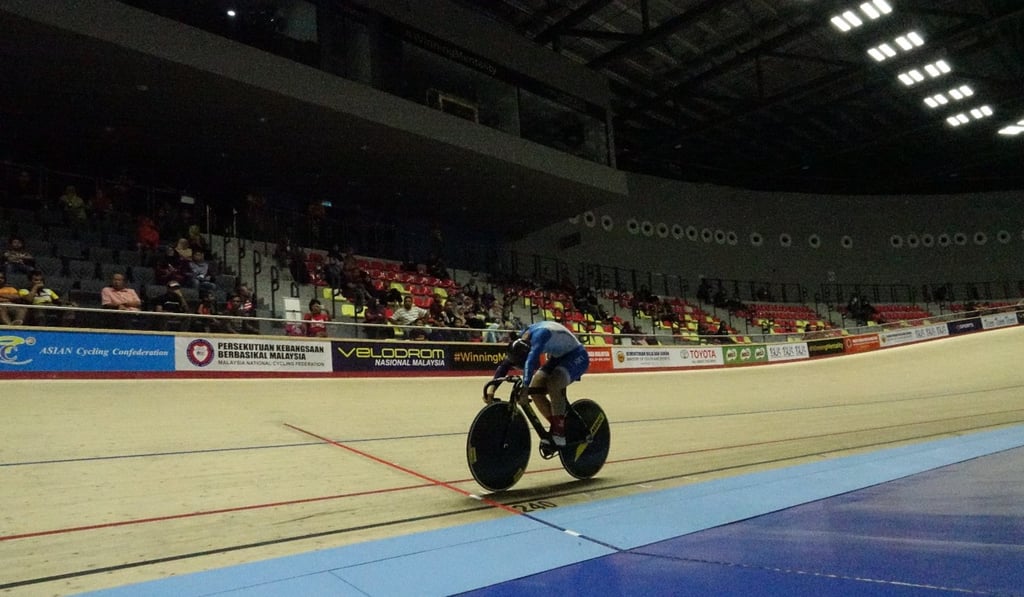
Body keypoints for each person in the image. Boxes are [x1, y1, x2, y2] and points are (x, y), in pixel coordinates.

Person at [485, 320, 590, 447]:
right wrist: (491, 390)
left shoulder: (540, 337)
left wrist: (524, 388)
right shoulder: (521, 341)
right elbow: (505, 365)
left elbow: (530, 363)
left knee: (554, 383)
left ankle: (559, 432)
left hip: (577, 355)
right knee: (535, 390)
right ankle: (558, 425)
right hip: (557, 357)